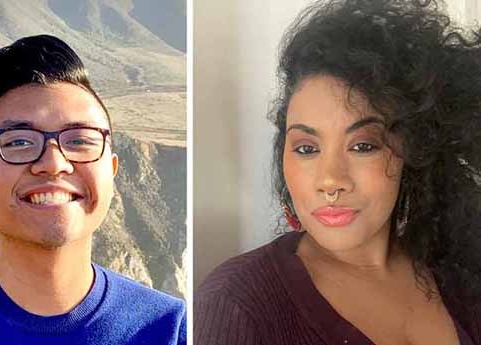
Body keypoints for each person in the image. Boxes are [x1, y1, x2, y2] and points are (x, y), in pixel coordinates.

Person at [195, 0, 481, 344]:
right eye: (306, 148)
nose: (331, 180)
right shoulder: (236, 305)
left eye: (363, 145)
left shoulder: (459, 279)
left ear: (413, 148)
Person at [0, 34, 186, 344]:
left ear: (112, 172)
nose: (53, 162)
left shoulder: (170, 329)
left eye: (79, 140)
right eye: (19, 142)